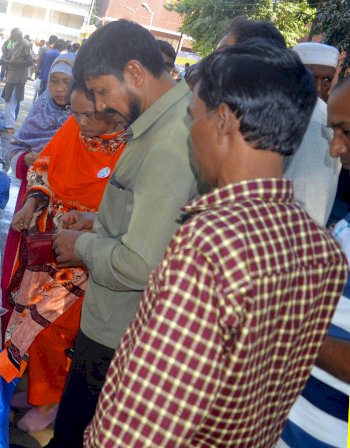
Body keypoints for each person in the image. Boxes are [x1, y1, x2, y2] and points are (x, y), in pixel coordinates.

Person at [84, 40, 348, 447]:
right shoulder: (322, 250)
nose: (191, 136)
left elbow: (143, 421)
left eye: (194, 118)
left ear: (222, 121)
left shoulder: (209, 245)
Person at [48, 20, 201, 447]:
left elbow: (140, 263)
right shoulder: (156, 125)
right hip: (112, 323)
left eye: (100, 91)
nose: (98, 105)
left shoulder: (171, 140)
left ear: (134, 72)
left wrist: (81, 245)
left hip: (121, 335)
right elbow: (145, 217)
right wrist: (98, 220)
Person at [0, 84, 126, 433]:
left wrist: (85, 226)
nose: (78, 122)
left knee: (55, 329)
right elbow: (43, 168)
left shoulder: (131, 149)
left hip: (83, 255)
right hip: (46, 243)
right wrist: (30, 203)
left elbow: (122, 215)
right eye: (75, 113)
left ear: (111, 110)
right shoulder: (73, 127)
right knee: (27, 315)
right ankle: (38, 391)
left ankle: (51, 399)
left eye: (87, 115)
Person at [278, 79, 350, 448]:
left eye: (347, 132)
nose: (336, 148)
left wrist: (280, 324)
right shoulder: (345, 230)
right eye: (333, 132)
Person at [218, 18, 340, 225]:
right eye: (310, 76)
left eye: (326, 80)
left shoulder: (314, 121)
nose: (318, 88)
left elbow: (306, 210)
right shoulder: (278, 106)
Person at [1, 54, 74, 326]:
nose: (59, 88)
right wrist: (25, 159)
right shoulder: (40, 108)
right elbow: (15, 146)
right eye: (54, 81)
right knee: (18, 268)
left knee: (44, 278)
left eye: (67, 82)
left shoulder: (83, 120)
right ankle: (7, 327)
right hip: (29, 200)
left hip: (61, 207)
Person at [0, 28, 34, 132]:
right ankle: (8, 124)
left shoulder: (24, 44)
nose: (11, 38)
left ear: (17, 35)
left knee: (11, 101)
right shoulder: (16, 43)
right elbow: (8, 59)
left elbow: (29, 62)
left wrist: (14, 63)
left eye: (12, 36)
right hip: (12, 77)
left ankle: (9, 125)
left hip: (17, 78)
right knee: (8, 100)